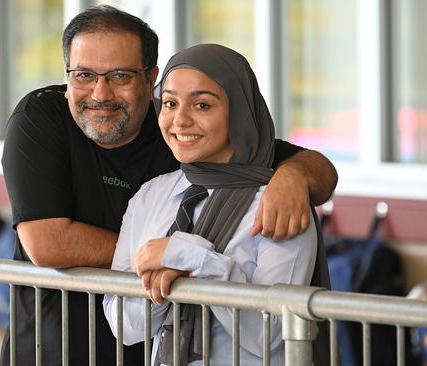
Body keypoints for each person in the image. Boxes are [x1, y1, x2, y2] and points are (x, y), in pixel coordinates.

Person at [0, 5, 337, 366]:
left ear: (150, 81)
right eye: (83, 74)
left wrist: (294, 176)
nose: (100, 93)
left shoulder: (181, 131)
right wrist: (160, 257)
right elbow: (48, 243)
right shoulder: (43, 117)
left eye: (119, 75)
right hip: (53, 344)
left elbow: (312, 167)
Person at [103, 43, 317, 365]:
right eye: (170, 103)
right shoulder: (151, 196)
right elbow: (125, 327)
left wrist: (192, 258)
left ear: (239, 112)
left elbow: (270, 335)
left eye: (202, 105)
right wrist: (162, 287)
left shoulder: (277, 201)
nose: (180, 120)